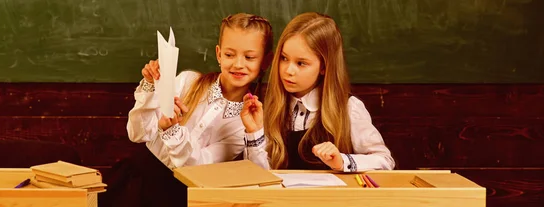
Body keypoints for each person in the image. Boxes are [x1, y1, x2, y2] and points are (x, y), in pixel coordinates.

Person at [99, 13, 273, 207]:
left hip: (180, 197)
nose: (238, 64)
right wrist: (150, 87)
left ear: (265, 61)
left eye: (249, 57)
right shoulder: (187, 81)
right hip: (135, 183)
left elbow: (197, 167)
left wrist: (172, 131)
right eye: (229, 54)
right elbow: (138, 133)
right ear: (218, 54)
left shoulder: (245, 123)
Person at [241, 12, 395, 172]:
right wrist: (254, 133)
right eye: (284, 58)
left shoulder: (349, 108)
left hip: (330, 197)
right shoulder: (269, 107)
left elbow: (385, 161)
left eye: (301, 63)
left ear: (323, 67)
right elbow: (258, 176)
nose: (288, 70)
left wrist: (341, 161)